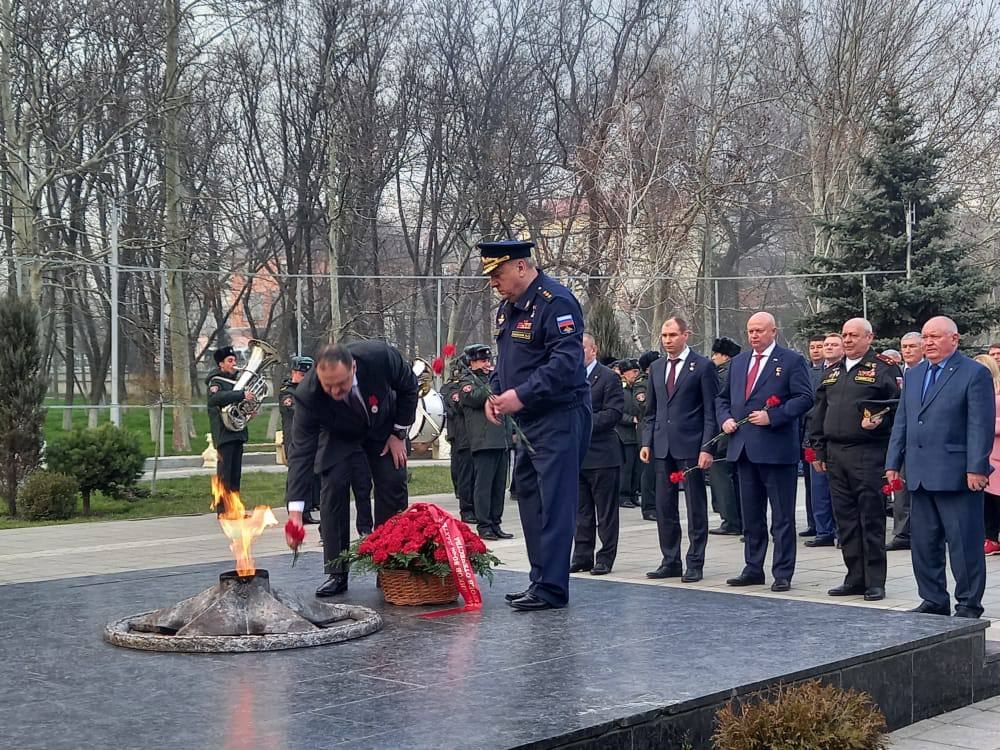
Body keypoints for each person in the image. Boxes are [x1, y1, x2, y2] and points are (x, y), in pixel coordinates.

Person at [480, 238, 591, 611]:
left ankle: (553, 588)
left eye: (498, 273)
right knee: (528, 494)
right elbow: (507, 361)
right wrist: (495, 393)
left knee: (555, 501)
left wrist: (522, 394)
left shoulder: (555, 302)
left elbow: (565, 364)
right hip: (527, 419)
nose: (494, 282)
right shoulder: (508, 309)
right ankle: (539, 578)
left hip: (559, 414)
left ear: (522, 267)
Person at [284, 342, 418, 597]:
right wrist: (295, 514)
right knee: (332, 488)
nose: (335, 391)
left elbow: (409, 387)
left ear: (353, 368)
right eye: (328, 385)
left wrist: (399, 432)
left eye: (341, 384)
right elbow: (300, 455)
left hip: (383, 426)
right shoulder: (308, 394)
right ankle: (336, 571)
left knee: (392, 482)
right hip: (339, 434)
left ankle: (389, 565)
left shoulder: (381, 358)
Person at [886, 316, 994, 618]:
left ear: (954, 339)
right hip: (919, 474)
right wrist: (893, 462)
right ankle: (933, 599)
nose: (928, 342)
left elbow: (980, 424)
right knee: (924, 544)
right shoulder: (915, 374)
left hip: (958, 475)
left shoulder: (973, 374)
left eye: (935, 336)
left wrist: (977, 467)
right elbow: (903, 421)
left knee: (964, 546)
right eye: (925, 336)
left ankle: (969, 604)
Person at [716, 311, 813, 592]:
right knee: (751, 513)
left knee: (782, 516)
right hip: (744, 449)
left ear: (773, 331)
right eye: (750, 331)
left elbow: (805, 398)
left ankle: (782, 571)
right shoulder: (739, 363)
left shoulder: (791, 361)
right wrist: (725, 419)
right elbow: (722, 399)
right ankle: (753, 567)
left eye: (759, 330)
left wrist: (775, 416)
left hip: (776, 449)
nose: (754, 335)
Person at [807, 318, 901, 602]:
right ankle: (854, 576)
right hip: (836, 454)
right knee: (845, 519)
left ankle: (875, 580)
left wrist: (880, 423)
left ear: (869, 338)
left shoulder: (883, 368)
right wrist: (818, 450)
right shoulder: (833, 372)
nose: (847, 340)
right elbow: (818, 413)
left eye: (853, 335)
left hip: (868, 452)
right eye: (844, 335)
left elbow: (897, 409)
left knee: (870, 517)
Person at [641, 317, 719, 582]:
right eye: (664, 335)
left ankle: (695, 561)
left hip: (691, 447)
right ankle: (670, 559)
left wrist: (707, 447)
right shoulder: (657, 367)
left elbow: (711, 411)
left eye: (673, 335)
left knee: (695, 506)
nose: (667, 340)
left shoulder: (703, 366)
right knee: (664, 507)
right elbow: (651, 411)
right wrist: (646, 442)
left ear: (686, 335)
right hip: (663, 446)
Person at [571, 333, 624, 575]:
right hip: (577, 455)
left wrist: (581, 422)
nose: (577, 352)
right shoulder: (569, 377)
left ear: (594, 349)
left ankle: (605, 557)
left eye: (581, 348)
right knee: (581, 511)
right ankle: (582, 556)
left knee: (605, 511)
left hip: (602, 454)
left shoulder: (608, 378)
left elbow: (613, 413)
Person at [459, 344, 513, 541]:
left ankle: (495, 522)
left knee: (499, 487)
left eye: (488, 361)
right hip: (484, 442)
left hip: (501, 441)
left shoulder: (494, 380)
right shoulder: (467, 382)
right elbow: (475, 397)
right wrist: (496, 383)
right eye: (482, 361)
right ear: (471, 363)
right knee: (484, 486)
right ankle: (484, 525)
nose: (487, 364)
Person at [802, 333, 843, 547]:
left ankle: (839, 529)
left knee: (836, 487)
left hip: (836, 438)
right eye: (824, 345)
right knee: (817, 486)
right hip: (812, 437)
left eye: (833, 344)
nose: (826, 348)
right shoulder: (812, 371)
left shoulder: (845, 370)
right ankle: (822, 529)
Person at [886, 331, 925, 551]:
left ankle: (921, 531)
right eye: (904, 346)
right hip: (898, 437)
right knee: (900, 487)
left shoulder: (928, 373)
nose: (907, 350)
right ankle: (902, 533)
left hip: (922, 441)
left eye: (912, 346)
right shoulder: (899, 373)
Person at [207, 344, 255, 496]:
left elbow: (237, 406)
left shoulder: (237, 381)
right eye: (230, 360)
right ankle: (223, 509)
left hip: (237, 433)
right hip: (224, 434)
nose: (234, 363)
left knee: (235, 474)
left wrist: (248, 413)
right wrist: (241, 395)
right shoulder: (215, 382)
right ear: (221, 364)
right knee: (224, 474)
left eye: (234, 360)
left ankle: (235, 508)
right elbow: (216, 398)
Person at [279, 356, 320, 524]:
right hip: (294, 440)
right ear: (294, 373)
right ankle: (295, 510)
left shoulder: (311, 390)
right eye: (302, 375)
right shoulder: (287, 391)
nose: (304, 378)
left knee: (310, 475)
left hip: (311, 438)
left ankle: (307, 508)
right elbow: (294, 410)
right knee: (297, 475)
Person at [707, 337, 742, 535]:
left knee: (721, 475)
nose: (713, 358)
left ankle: (730, 521)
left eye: (715, 354)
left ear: (724, 356)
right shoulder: (735, 370)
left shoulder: (722, 375)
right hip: (730, 432)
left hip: (722, 433)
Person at [441, 360, 476, 523]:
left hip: (476, 435)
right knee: (463, 471)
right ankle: (466, 504)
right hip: (460, 433)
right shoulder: (451, 387)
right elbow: (455, 406)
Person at [972, 355, 1000, 557]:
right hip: (984, 454)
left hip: (997, 454)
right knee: (986, 500)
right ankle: (989, 538)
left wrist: (989, 424)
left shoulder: (997, 394)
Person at [800, 334, 827, 535]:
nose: (816, 350)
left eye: (820, 346)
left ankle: (823, 527)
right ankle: (813, 524)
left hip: (817, 433)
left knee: (820, 483)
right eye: (813, 346)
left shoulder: (827, 372)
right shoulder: (806, 370)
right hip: (805, 435)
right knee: (810, 484)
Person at [634, 350, 661, 521]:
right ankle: (649, 507)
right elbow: (643, 405)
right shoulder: (642, 383)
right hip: (647, 432)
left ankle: (658, 505)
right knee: (649, 471)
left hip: (661, 431)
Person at [616, 359, 643, 510]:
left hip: (637, 435)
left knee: (636, 468)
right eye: (633, 371)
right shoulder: (619, 389)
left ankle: (633, 494)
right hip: (624, 435)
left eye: (637, 371)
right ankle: (623, 495)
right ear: (624, 373)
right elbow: (616, 412)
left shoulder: (637, 388)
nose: (636, 374)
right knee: (626, 468)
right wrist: (631, 419)